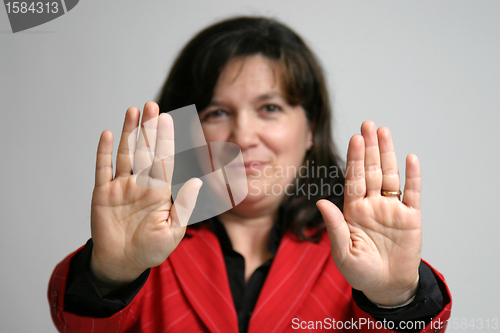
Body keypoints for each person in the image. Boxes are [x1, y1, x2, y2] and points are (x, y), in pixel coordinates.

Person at [48, 16, 452, 332]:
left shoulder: (361, 249)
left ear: (310, 128)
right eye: (217, 112)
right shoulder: (143, 245)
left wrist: (396, 298)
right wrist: (110, 274)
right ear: (187, 129)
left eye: (270, 108)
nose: (242, 136)